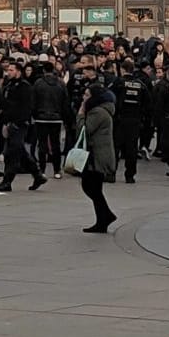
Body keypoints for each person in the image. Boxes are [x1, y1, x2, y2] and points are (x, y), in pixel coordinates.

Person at [0, 62, 48, 192]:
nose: (8, 72)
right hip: (10, 122)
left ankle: (7, 181)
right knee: (20, 151)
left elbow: (25, 107)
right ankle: (37, 175)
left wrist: (16, 122)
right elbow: (6, 105)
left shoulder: (24, 87)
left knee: (11, 153)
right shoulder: (9, 85)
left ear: (18, 71)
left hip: (19, 123)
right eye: (8, 70)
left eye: (11, 70)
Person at [76, 83, 118, 233]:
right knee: (93, 187)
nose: (84, 98)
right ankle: (103, 218)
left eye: (87, 95)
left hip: (97, 156)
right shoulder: (102, 110)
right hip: (98, 154)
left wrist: (80, 114)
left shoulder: (98, 112)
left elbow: (84, 130)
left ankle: (105, 216)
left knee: (90, 186)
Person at [110, 60, 148, 183]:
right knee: (131, 149)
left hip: (120, 119)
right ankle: (130, 175)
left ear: (122, 69)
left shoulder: (118, 82)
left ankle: (111, 174)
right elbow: (148, 102)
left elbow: (110, 97)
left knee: (115, 148)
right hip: (135, 120)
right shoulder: (140, 85)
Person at [32, 61, 70, 180]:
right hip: (56, 118)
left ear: (43, 70)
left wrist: (34, 114)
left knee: (42, 145)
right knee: (56, 144)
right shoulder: (60, 83)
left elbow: (33, 101)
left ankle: (42, 170)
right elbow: (65, 101)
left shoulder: (38, 83)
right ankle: (57, 170)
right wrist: (65, 117)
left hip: (41, 118)